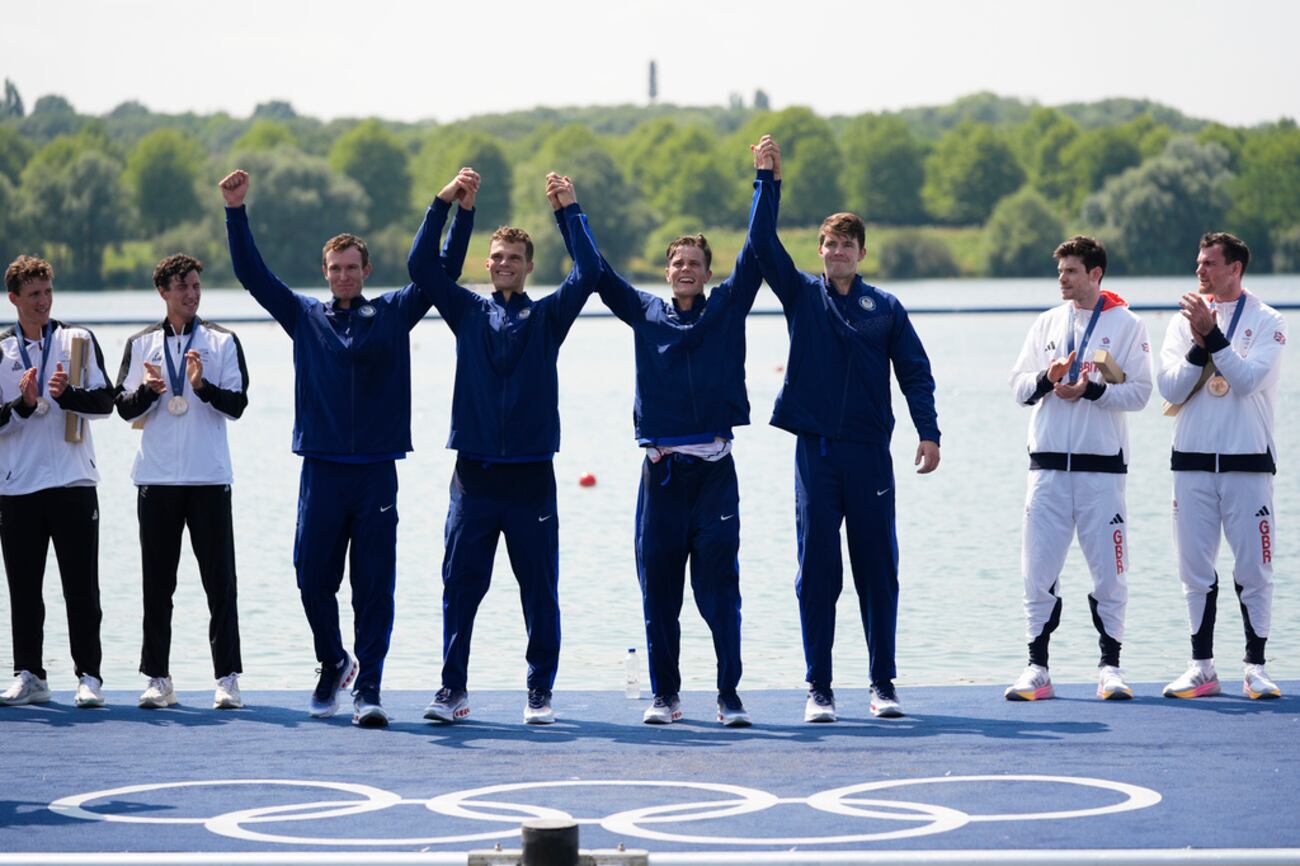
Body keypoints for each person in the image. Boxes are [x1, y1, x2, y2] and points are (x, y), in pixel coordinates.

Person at [219, 168, 473, 727]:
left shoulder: (394, 312)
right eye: (335, 269)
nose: (343, 276)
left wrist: (457, 209)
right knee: (311, 576)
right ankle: (334, 659)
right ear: (325, 272)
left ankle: (369, 689)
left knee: (373, 586)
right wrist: (235, 212)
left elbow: (444, 269)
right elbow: (252, 274)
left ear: (366, 271)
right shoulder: (304, 316)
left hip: (376, 471)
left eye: (352, 268)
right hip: (322, 470)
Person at [550, 151, 771, 727]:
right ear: (667, 271)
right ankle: (665, 696)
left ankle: (728, 696)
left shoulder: (728, 308)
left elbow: (756, 249)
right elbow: (597, 273)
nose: (685, 269)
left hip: (715, 477)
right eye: (677, 262)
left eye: (695, 262)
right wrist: (569, 212)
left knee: (720, 595)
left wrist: (765, 181)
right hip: (661, 479)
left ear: (708, 272)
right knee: (660, 595)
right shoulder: (645, 313)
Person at [748, 136, 940, 722]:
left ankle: (882, 684)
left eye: (847, 246)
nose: (837, 253)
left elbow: (915, 371)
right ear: (820, 250)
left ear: (861, 253)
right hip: (817, 456)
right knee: (818, 573)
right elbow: (761, 243)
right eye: (829, 244)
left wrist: (928, 432)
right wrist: (767, 182)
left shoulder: (885, 308)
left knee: (878, 571)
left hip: (869, 456)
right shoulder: (802, 296)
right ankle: (819, 688)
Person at [407, 169, 602, 726]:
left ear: (529, 266)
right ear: (486, 263)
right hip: (474, 477)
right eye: (496, 257)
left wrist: (568, 210)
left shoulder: (548, 317)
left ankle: (539, 691)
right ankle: (453, 689)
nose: (503, 264)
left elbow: (590, 272)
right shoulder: (467, 311)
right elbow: (421, 267)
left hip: (530, 478)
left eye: (514, 258)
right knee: (460, 588)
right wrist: (449, 204)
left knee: (539, 593)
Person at [1005, 236, 1152, 702]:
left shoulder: (1127, 325)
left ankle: (1110, 667)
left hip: (1101, 470)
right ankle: (1037, 668)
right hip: (1046, 468)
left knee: (1109, 572)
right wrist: (1046, 380)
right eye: (1060, 271)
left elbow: (1141, 393)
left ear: (1095, 274)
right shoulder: (1047, 322)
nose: (1062, 279)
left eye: (1071, 271)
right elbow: (1017, 386)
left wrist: (1092, 390)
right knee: (1037, 571)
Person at [115, 253, 250, 710]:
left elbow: (237, 405)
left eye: (196, 286)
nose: (191, 294)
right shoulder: (140, 344)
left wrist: (202, 385)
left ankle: (227, 678)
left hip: (209, 477)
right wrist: (149, 392)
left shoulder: (222, 341)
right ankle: (158, 678)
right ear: (163, 292)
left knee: (220, 583)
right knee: (157, 584)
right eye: (182, 287)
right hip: (155, 480)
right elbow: (123, 407)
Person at [1156, 232, 1286, 700]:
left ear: (1235, 268)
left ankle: (1255, 667)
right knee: (1194, 569)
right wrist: (1197, 346)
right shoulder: (1181, 323)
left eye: (1209, 263)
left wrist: (1212, 336)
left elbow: (1247, 380)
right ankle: (1201, 667)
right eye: (1198, 262)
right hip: (1191, 462)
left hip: (1247, 462)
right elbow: (1169, 389)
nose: (1200, 270)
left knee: (1254, 569)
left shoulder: (1268, 321)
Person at [0, 255, 114, 708]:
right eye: (33, 295)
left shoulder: (77, 340)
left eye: (47, 292)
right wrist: (24, 406)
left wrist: (69, 395)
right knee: (24, 588)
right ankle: (30, 675)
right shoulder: (2, 351)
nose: (43, 301)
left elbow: (106, 403)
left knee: (81, 588)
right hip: (18, 486)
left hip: (73, 481)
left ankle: (89, 676)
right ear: (14, 299)